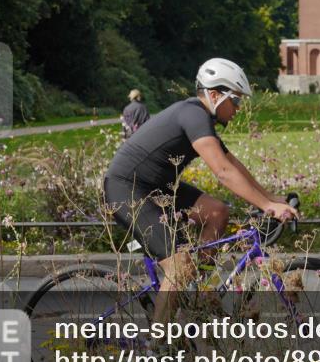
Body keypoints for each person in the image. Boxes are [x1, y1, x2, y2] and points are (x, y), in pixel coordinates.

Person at [103, 58, 298, 323]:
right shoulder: (193, 115)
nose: (238, 108)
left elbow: (232, 164)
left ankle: (195, 294)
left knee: (217, 212)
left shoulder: (199, 117)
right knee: (178, 266)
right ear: (215, 95)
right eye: (235, 100)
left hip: (157, 187)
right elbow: (223, 172)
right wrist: (266, 206)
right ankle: (158, 344)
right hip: (127, 189)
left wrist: (271, 198)